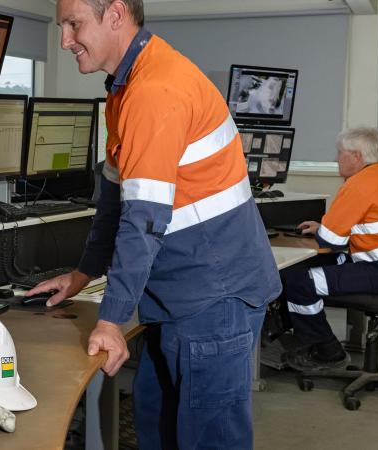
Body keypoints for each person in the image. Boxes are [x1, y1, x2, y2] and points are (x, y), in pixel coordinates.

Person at [28, 1, 281, 448]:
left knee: (206, 440)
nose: (65, 40)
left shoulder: (155, 89)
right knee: (155, 421)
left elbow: (144, 219)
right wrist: (83, 274)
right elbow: (114, 201)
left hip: (215, 296)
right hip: (176, 294)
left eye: (73, 24)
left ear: (116, 13)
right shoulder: (124, 89)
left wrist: (110, 319)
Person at [281, 127, 378, 371]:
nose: (336, 159)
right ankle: (307, 337)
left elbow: (330, 241)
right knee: (308, 266)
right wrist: (323, 228)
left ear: (356, 156)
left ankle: (326, 351)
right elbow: (366, 229)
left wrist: (323, 231)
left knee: (298, 281)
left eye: (340, 153)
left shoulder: (359, 185)